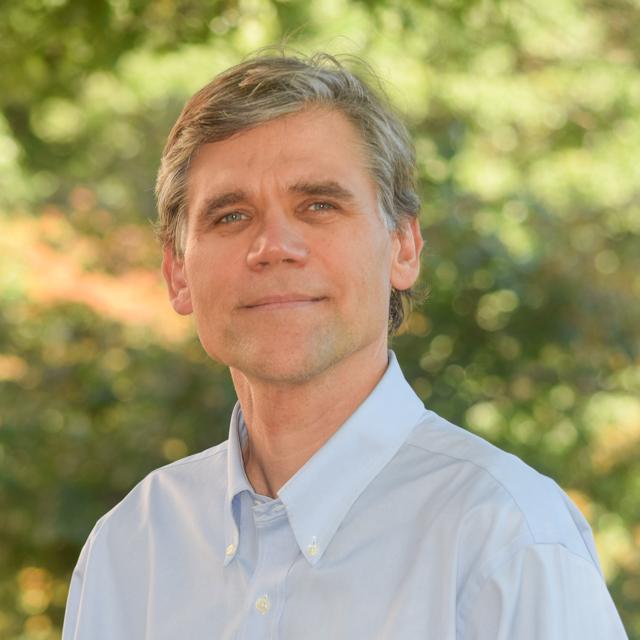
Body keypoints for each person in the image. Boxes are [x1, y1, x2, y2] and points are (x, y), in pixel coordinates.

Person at [62, 51, 628, 639]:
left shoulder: (508, 539)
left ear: (403, 248)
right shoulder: (130, 550)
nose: (274, 246)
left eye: (319, 205)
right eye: (231, 216)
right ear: (178, 274)